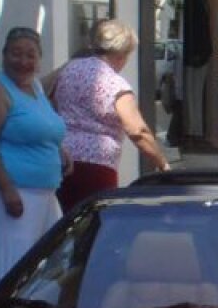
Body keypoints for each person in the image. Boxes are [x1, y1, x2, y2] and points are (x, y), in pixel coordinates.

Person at [0, 28, 69, 304]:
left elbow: (41, 127)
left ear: (39, 59)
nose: (22, 61)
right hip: (9, 194)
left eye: (30, 55)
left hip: (43, 193)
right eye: (15, 54)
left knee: (45, 261)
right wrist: (7, 189)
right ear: (3, 55)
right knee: (9, 263)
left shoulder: (35, 87)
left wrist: (60, 151)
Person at [52, 19, 171, 212]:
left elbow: (49, 98)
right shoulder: (116, 84)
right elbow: (137, 131)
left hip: (61, 160)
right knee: (95, 225)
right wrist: (162, 163)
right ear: (122, 54)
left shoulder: (69, 69)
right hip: (96, 166)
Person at [180, 0, 213, 148]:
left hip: (200, 53)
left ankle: (196, 131)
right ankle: (193, 132)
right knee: (193, 94)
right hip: (195, 54)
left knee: (197, 94)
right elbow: (192, 26)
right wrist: (195, 52)